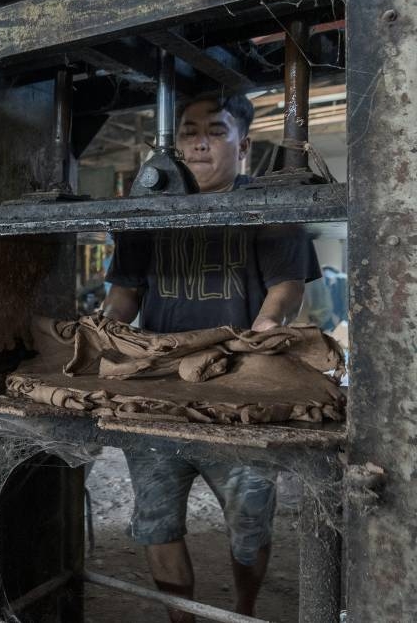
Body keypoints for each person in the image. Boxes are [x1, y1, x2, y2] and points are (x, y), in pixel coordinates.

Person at [102, 94, 320, 621]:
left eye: (216, 131)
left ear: (243, 145)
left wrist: (268, 324)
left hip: (238, 391)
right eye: (189, 131)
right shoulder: (147, 209)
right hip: (156, 392)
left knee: (249, 524)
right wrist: (103, 327)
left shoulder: (267, 206)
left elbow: (286, 286)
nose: (199, 142)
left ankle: (244, 609)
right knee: (157, 523)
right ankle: (182, 619)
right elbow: (125, 293)